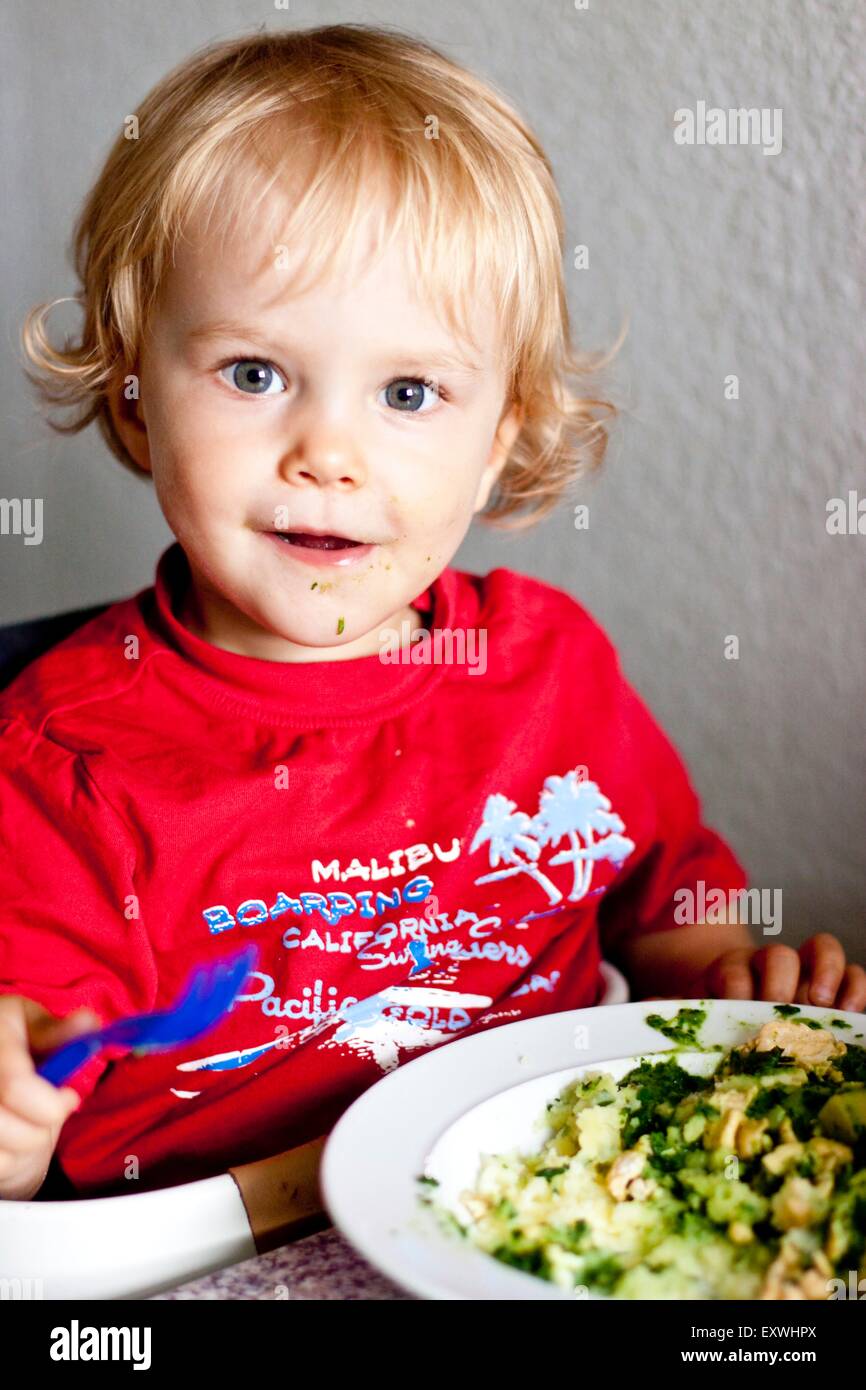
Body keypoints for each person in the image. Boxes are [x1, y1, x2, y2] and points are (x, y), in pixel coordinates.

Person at [1, 25, 862, 1202]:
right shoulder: (62, 766)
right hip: (228, 1244)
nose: (329, 455)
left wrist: (734, 977)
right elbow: (33, 1085)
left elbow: (661, 905)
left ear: (498, 435)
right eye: (254, 373)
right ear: (137, 397)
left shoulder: (548, 670)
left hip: (549, 1190)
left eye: (408, 392)